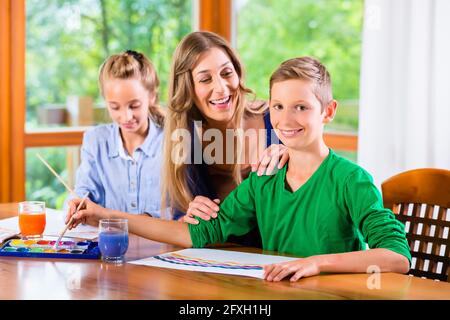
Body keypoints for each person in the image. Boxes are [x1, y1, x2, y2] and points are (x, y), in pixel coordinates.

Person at [67, 56, 411, 282]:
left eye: (301, 107)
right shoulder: (264, 179)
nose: (286, 119)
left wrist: (317, 263)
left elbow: (397, 257)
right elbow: (193, 235)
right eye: (278, 106)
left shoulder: (351, 180)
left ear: (328, 111)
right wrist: (101, 215)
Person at [162, 31, 287, 246]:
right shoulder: (186, 142)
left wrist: (297, 156)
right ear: (187, 89)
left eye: (227, 73)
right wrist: (188, 218)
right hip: (222, 264)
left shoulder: (276, 120)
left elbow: (321, 180)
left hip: (284, 260)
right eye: (205, 79)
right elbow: (184, 226)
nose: (221, 88)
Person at [66, 50, 165, 218]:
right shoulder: (95, 140)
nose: (126, 117)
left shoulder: (173, 141)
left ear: (152, 97)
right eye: (115, 107)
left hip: (163, 244)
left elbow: (182, 208)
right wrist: (76, 204)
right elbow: (85, 189)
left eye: (134, 105)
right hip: (109, 243)